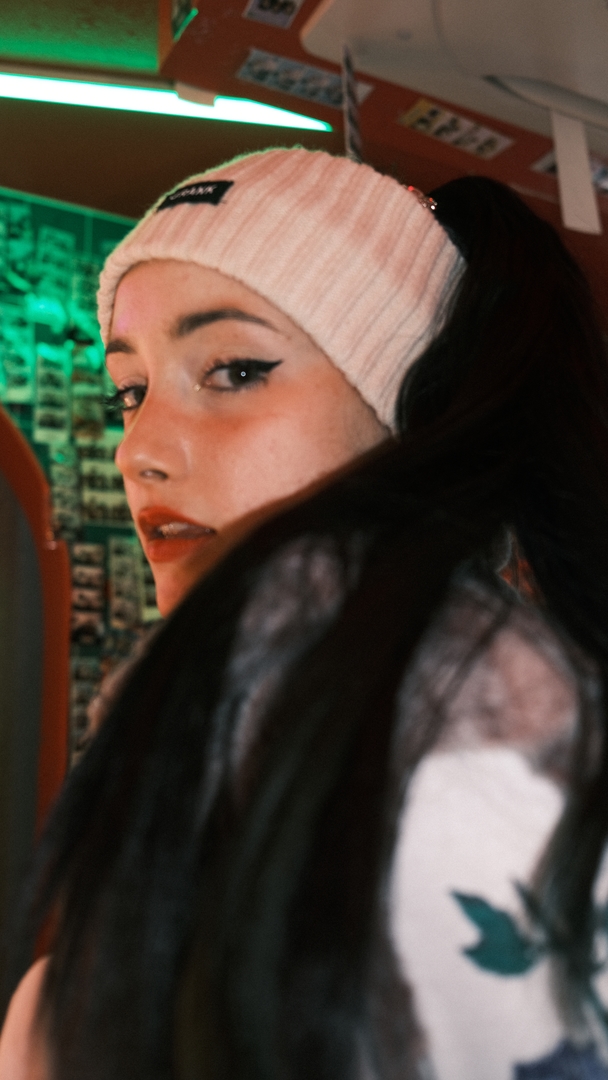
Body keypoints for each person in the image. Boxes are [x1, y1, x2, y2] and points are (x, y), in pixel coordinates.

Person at [2, 146, 608, 1080]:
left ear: (408, 413)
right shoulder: (230, 724)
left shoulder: (480, 743)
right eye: (130, 391)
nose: (139, 450)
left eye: (236, 371)